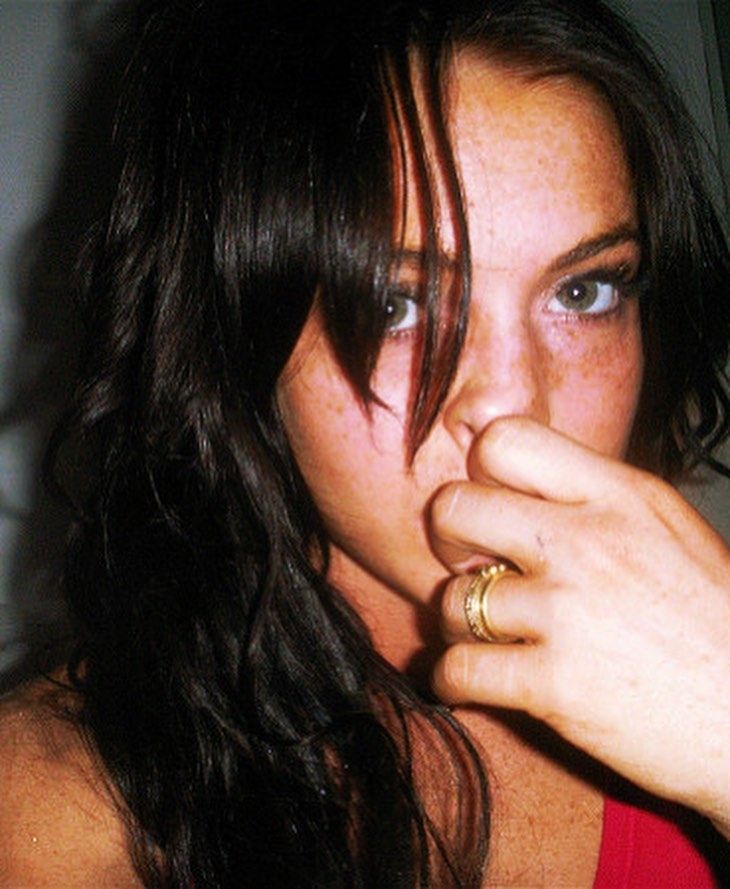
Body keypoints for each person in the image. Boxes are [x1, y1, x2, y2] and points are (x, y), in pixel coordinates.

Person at [0, 0, 728, 885]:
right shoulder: (56, 814)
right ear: (240, 339)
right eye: (398, 304)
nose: (515, 409)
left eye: (583, 292)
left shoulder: (701, 650)